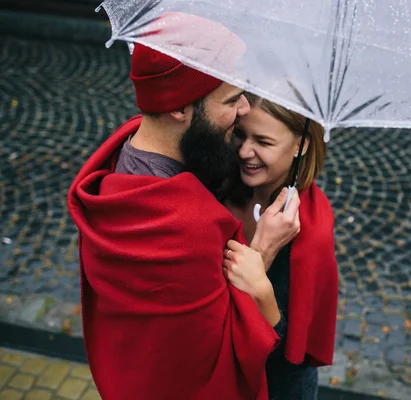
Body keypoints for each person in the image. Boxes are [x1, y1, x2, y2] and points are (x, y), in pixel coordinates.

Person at [67, 20, 301, 400]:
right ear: (178, 107)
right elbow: (216, 362)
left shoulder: (123, 154)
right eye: (230, 100)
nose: (244, 109)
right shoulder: (184, 227)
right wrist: (263, 251)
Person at [222, 94, 339, 399]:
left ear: (301, 145)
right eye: (240, 134)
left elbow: (288, 353)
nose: (245, 151)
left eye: (263, 141)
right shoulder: (219, 186)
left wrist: (261, 264)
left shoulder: (310, 232)